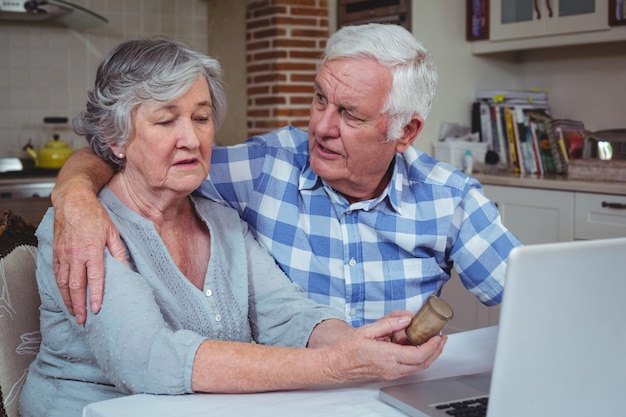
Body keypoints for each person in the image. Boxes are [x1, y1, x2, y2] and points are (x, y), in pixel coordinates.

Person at [19, 38, 446, 417]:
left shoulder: (221, 219)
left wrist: (355, 344)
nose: (191, 138)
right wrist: (334, 366)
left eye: (201, 118)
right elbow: (148, 359)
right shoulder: (84, 228)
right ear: (115, 139)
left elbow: (286, 313)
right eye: (166, 121)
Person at [51, 23, 522, 327]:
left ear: (406, 131)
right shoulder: (264, 167)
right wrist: (74, 196)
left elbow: (540, 303)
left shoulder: (448, 198)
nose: (321, 126)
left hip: (395, 394)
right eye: (320, 99)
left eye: (350, 115)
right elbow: (128, 154)